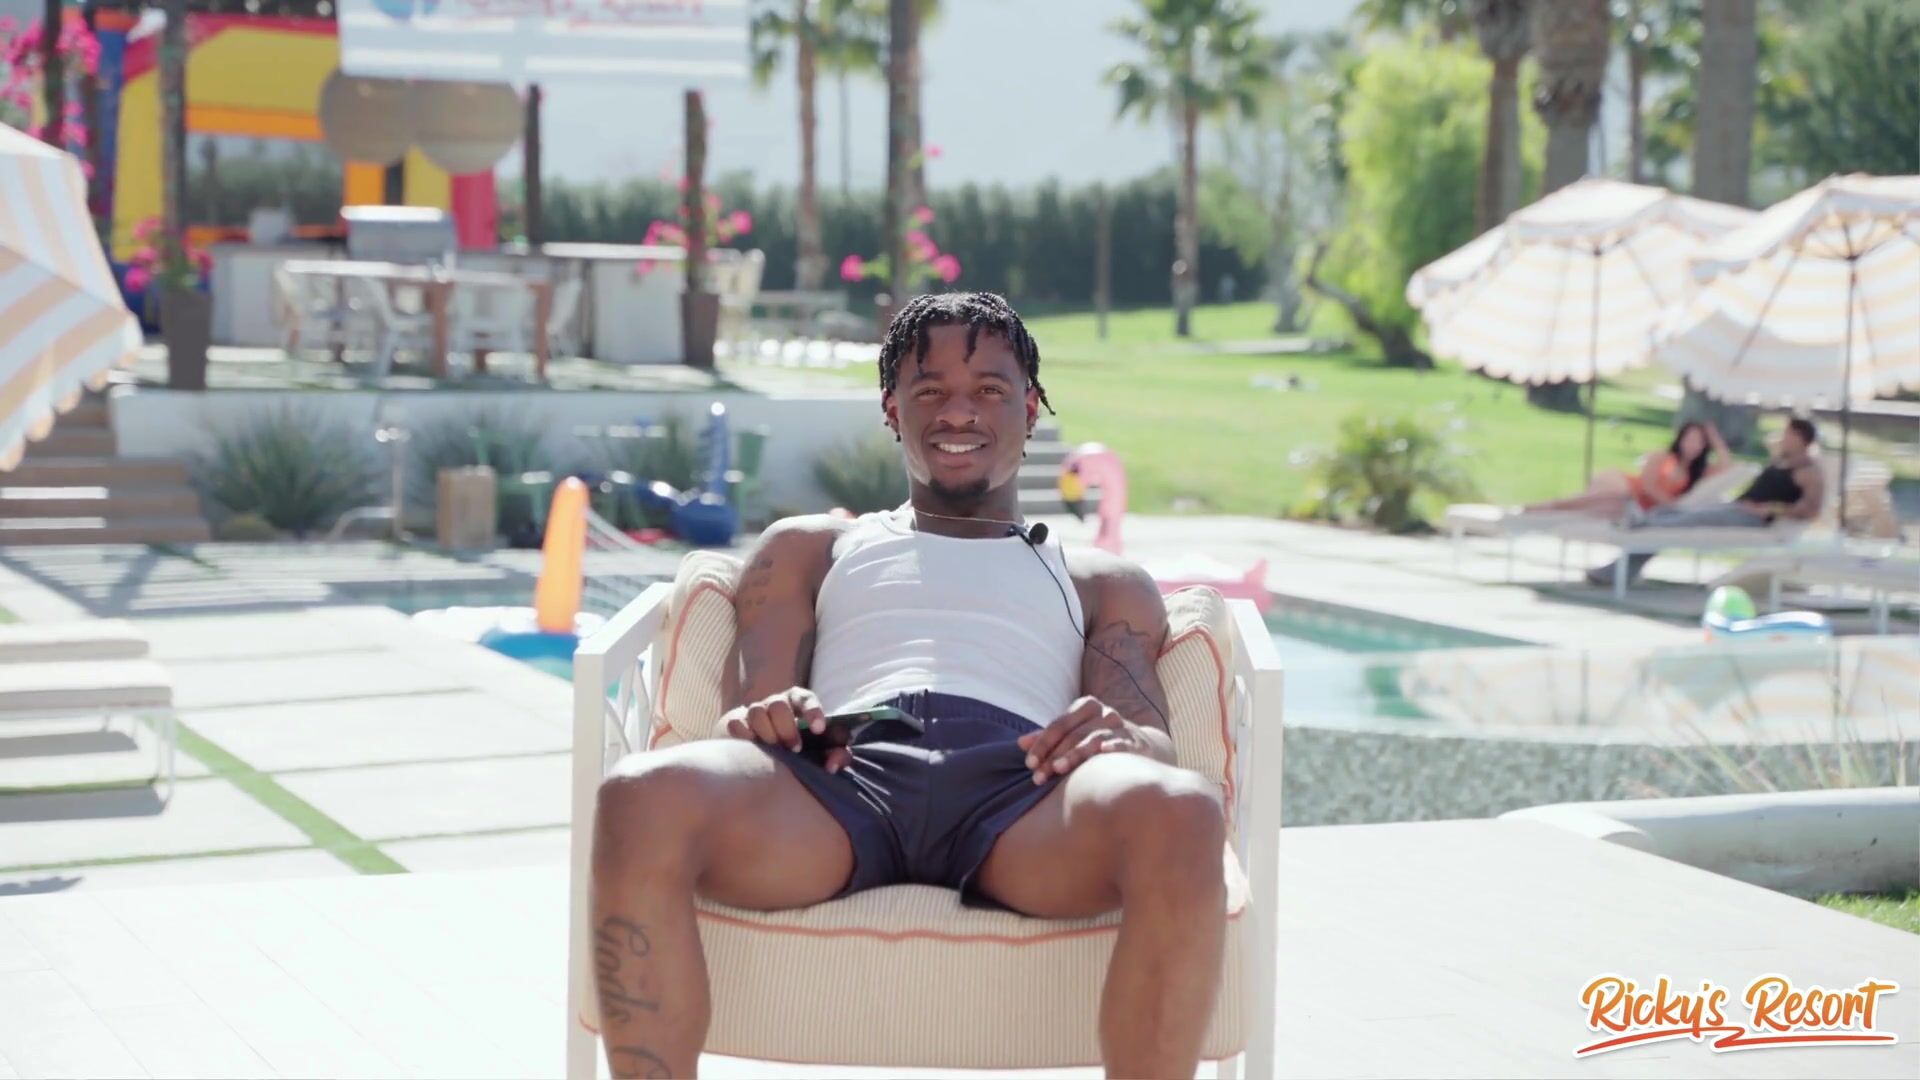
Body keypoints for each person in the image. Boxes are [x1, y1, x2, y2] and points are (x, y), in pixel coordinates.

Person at [591, 292, 1226, 1079]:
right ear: (893, 409)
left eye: (988, 389)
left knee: (1185, 809)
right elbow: (748, 713)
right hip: (838, 773)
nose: (959, 412)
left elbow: (1152, 738)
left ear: (1030, 408)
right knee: (637, 794)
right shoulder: (813, 547)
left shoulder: (1100, 580)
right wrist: (772, 715)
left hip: (1024, 785)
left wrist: (1126, 738)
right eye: (930, 391)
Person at [1586, 416, 1826, 587]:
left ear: (1800, 438)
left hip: (1752, 518)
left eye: (1788, 434)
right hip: (1738, 507)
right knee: (1675, 514)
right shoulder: (1784, 460)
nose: (1783, 437)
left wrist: (1769, 509)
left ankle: (1637, 524)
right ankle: (1615, 569)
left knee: (1692, 519)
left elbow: (1811, 509)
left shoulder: (1809, 472)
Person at [1525, 420, 1729, 518]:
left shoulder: (1697, 472)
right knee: (1618, 495)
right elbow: (1648, 486)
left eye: (1699, 441)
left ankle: (1552, 510)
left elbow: (1728, 466)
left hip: (1635, 506)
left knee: (1608, 506)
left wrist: (1715, 438)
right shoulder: (1661, 456)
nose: (1693, 445)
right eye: (1690, 439)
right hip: (1625, 486)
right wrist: (1673, 505)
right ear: (1681, 438)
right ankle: (1549, 506)